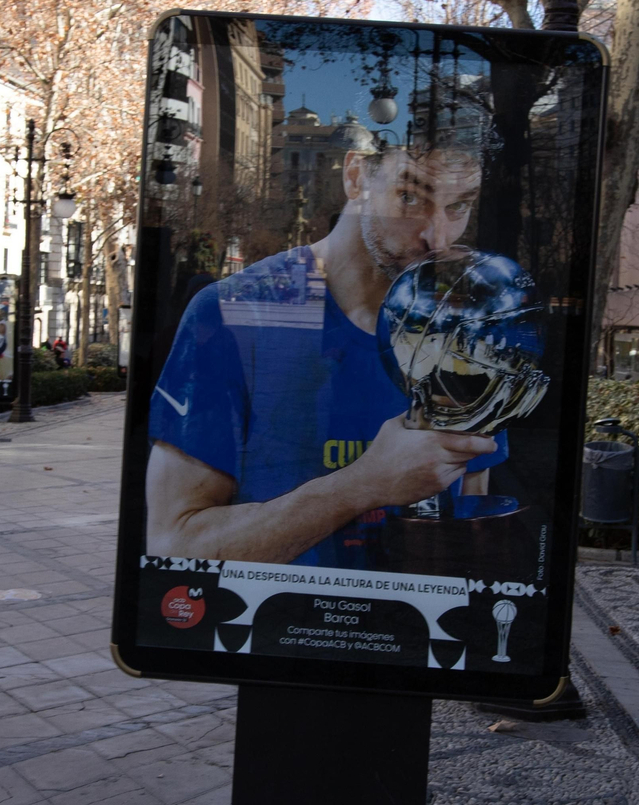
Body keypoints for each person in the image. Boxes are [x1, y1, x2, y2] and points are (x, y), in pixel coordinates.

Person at [145, 130, 509, 568]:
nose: (438, 237)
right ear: (356, 177)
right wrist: (363, 484)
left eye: (458, 206)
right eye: (410, 198)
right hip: (270, 627)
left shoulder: (466, 330)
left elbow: (469, 518)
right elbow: (174, 546)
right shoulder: (233, 313)